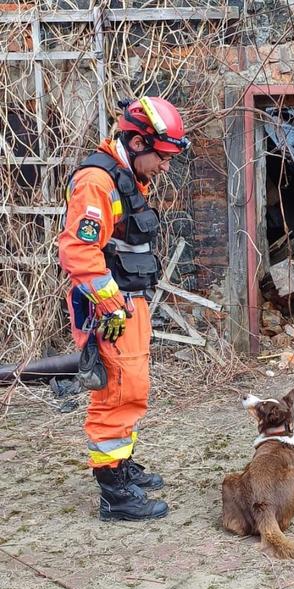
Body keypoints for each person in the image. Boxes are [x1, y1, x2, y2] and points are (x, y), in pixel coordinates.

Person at [59, 96, 190, 521]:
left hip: (128, 303)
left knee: (132, 387)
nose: (165, 167)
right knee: (117, 390)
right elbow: (80, 250)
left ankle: (122, 464)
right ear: (136, 143)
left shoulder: (125, 176)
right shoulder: (98, 181)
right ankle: (114, 492)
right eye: (162, 157)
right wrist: (111, 306)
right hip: (109, 308)